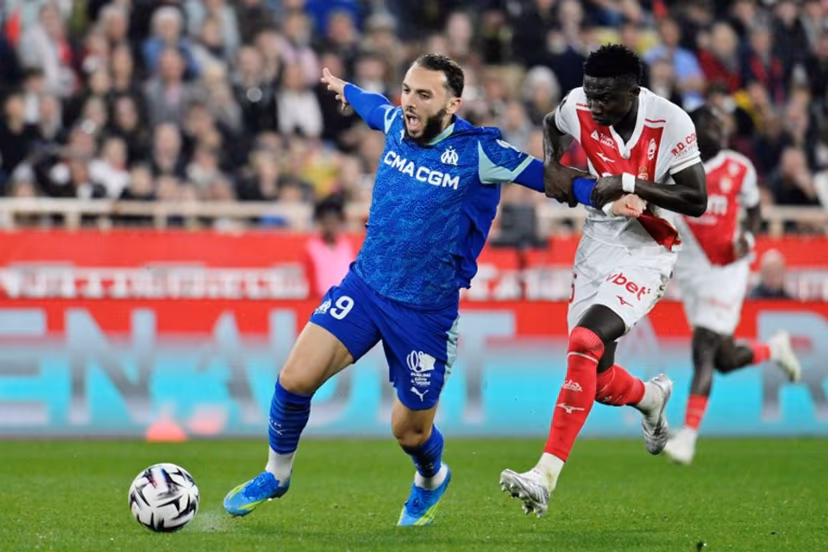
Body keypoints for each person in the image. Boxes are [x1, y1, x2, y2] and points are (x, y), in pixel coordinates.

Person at [222, 53, 642, 526]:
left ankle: (431, 477)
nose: (410, 103)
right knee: (294, 378)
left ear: (452, 103)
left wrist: (608, 195)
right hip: (366, 287)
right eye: (407, 90)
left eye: (424, 94)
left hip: (425, 314)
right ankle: (276, 475)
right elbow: (372, 105)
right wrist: (345, 89)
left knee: (408, 432)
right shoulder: (397, 123)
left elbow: (550, 178)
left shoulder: (479, 152)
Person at [500, 44, 709, 517]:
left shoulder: (671, 120)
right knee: (594, 376)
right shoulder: (577, 103)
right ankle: (651, 398)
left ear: (633, 91)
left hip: (649, 247)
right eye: (591, 96)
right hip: (597, 242)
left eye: (606, 99)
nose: (594, 107)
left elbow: (696, 199)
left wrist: (629, 183)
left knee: (585, 339)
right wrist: (554, 162)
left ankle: (544, 475)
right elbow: (551, 123)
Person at [664, 109, 801, 465]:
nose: (719, 132)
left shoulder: (739, 167)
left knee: (704, 346)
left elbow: (754, 210)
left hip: (727, 268)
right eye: (710, 126)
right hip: (692, 270)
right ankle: (773, 349)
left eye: (720, 126)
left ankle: (688, 437)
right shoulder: (673, 168)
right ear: (691, 133)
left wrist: (749, 236)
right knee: (723, 359)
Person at [304, 194, 355, 298]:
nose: (331, 227)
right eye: (328, 222)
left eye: (334, 222)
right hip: (321, 302)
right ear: (322, 223)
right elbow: (310, 281)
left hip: (345, 301)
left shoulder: (347, 246)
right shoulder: (312, 248)